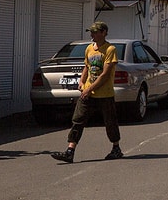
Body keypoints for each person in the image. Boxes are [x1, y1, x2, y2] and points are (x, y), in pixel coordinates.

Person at [51, 21, 123, 163]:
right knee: (78, 120)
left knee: (110, 122)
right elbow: (87, 67)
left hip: (105, 94)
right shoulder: (89, 48)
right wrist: (82, 81)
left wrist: (89, 89)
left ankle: (116, 148)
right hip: (88, 93)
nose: (92, 35)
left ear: (104, 33)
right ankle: (70, 151)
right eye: (91, 32)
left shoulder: (110, 49)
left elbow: (105, 75)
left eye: (95, 32)